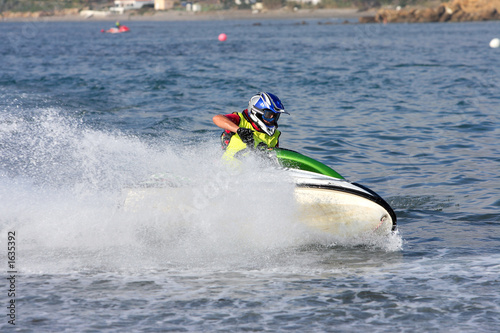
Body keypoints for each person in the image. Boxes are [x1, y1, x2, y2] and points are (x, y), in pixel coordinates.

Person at [213, 92, 288, 161]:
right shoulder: (239, 120)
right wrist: (239, 130)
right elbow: (217, 118)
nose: (272, 119)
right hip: (225, 172)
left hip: (254, 174)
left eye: (275, 116)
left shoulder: (275, 135)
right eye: (269, 115)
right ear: (257, 112)